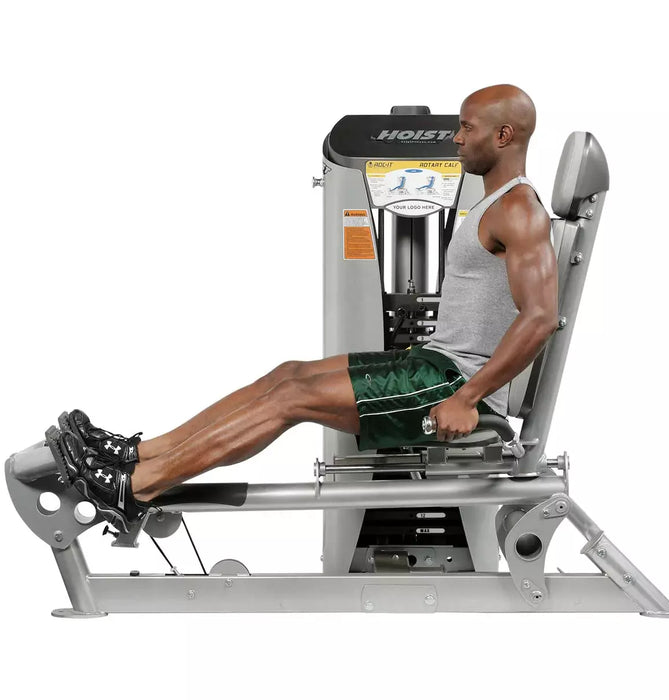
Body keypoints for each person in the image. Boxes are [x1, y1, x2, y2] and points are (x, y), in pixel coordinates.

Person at [47, 83, 559, 532]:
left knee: (292, 400)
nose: (456, 138)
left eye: (467, 128)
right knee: (288, 375)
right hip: (434, 364)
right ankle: (136, 455)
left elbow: (539, 316)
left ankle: (135, 487)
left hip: (451, 383)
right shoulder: (495, 202)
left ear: (503, 136)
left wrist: (468, 398)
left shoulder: (517, 208)